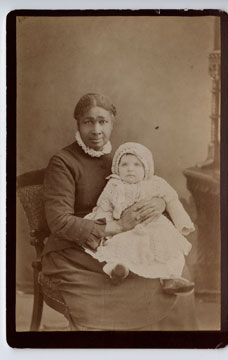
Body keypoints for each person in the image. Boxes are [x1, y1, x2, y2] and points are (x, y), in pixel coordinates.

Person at [42, 93, 198, 330]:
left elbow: (150, 187)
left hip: (127, 238)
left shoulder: (124, 159)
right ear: (78, 123)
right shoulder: (63, 162)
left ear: (112, 122)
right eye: (88, 121)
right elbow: (59, 222)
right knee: (136, 279)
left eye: (102, 121)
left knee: (174, 269)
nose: (96, 130)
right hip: (75, 247)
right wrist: (117, 226)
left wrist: (160, 203)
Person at [85, 142, 195, 294]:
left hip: (155, 227)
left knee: (171, 250)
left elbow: (172, 200)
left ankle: (171, 277)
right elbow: (104, 207)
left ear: (146, 168)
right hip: (125, 228)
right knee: (118, 247)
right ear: (117, 168)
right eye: (124, 164)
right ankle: (118, 269)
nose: (130, 168)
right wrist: (102, 228)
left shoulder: (155, 183)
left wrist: (182, 222)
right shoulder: (114, 185)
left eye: (137, 164)